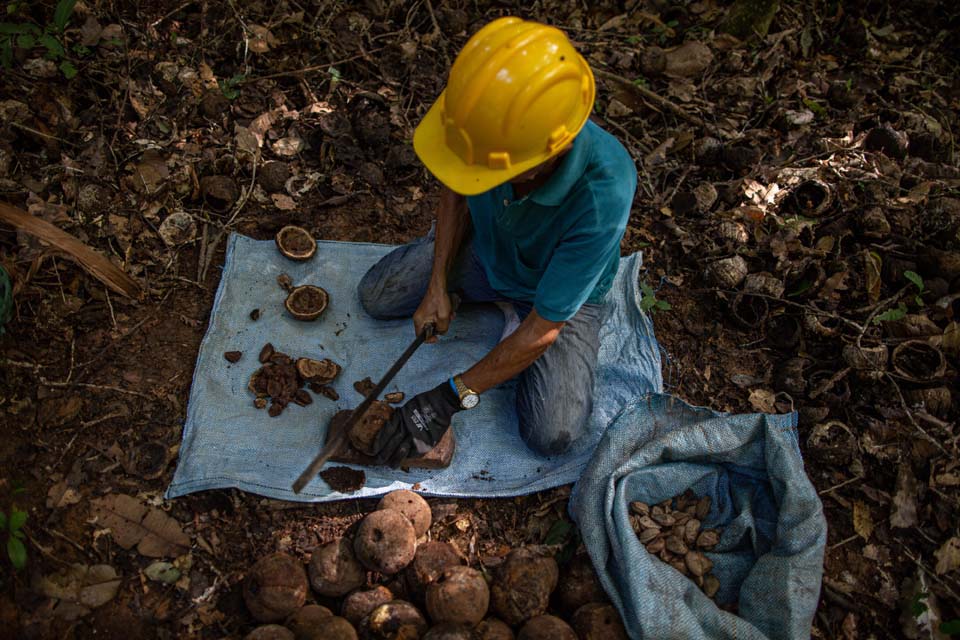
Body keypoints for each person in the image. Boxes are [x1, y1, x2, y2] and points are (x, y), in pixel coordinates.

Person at [357, 17, 637, 467]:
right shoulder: (483, 120)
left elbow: (544, 328)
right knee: (377, 294)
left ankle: (508, 313)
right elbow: (457, 181)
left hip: (553, 296)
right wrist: (437, 283)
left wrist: (449, 398)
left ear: (546, 158)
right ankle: (485, 299)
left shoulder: (604, 192)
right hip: (488, 254)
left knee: (553, 433)